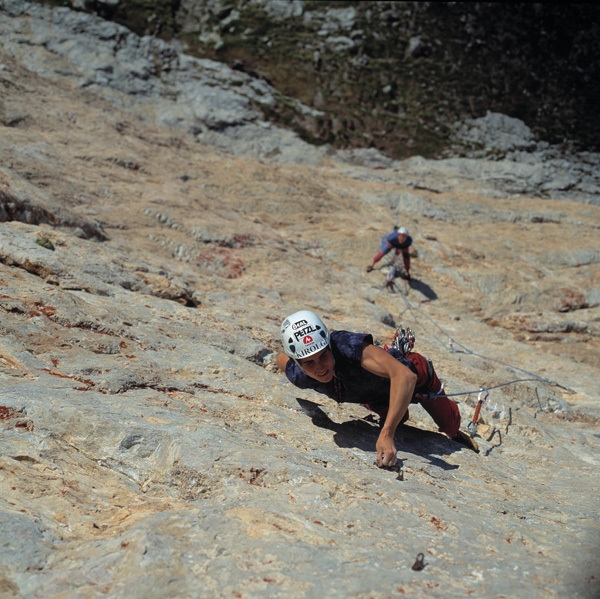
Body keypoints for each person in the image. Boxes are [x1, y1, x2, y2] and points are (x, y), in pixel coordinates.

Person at [276, 311, 478, 468]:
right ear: (299, 364)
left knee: (449, 424)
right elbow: (282, 359)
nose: (320, 367)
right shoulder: (300, 374)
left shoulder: (347, 347)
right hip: (373, 393)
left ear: (330, 346)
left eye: (323, 356)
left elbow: (405, 376)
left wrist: (387, 434)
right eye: (309, 363)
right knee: (397, 416)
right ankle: (396, 412)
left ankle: (456, 435)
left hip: (416, 379)